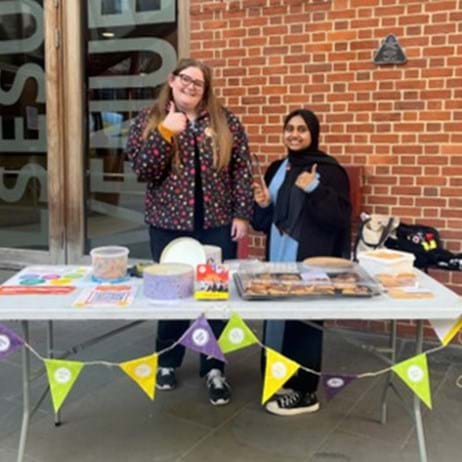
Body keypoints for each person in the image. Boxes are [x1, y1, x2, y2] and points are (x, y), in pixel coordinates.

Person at [126, 58, 253, 406]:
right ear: (172, 79)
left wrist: (242, 213)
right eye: (186, 79)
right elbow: (143, 169)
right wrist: (166, 131)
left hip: (215, 224)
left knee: (213, 296)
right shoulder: (150, 119)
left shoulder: (226, 122)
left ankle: (213, 368)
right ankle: (167, 361)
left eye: (199, 83)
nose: (191, 86)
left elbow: (242, 169)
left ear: (205, 90)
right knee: (171, 295)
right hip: (168, 225)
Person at [252, 109, 351, 416]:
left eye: (302, 129)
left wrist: (315, 188)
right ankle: (279, 378)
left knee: (303, 322)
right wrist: (264, 205)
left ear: (313, 134)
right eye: (289, 128)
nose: (294, 134)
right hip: (278, 256)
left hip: (309, 258)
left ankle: (305, 391)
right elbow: (263, 222)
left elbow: (338, 218)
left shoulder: (330, 171)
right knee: (276, 317)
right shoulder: (276, 168)